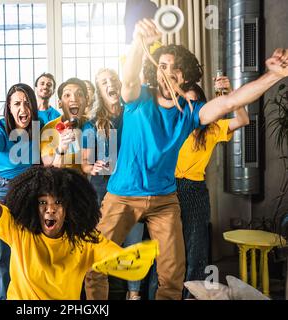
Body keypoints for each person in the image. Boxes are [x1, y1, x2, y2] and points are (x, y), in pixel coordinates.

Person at [85, 18, 288, 300]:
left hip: (165, 199)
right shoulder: (137, 98)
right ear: (156, 72)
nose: (168, 74)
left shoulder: (192, 113)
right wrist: (135, 42)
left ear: (185, 77)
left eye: (176, 69)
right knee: (95, 262)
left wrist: (274, 76)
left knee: (172, 274)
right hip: (122, 195)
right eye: (163, 67)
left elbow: (231, 103)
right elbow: (129, 78)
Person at [0, 144, 128, 300]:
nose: (50, 209)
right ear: (33, 205)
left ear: (70, 207)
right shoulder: (18, 230)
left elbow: (125, 261)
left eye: (58, 202)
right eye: (42, 202)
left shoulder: (85, 240)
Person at [176, 79, 249, 298]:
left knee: (196, 249)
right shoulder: (173, 125)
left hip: (195, 189)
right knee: (169, 251)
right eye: (185, 102)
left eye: (194, 102)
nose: (190, 107)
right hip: (168, 189)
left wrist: (229, 93)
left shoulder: (213, 128)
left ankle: (192, 296)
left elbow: (243, 119)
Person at [81, 68, 145, 300]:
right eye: (104, 82)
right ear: (99, 90)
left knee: (133, 245)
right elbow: (85, 164)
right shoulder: (91, 124)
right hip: (103, 192)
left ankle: (134, 294)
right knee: (101, 248)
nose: (110, 84)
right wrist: (93, 166)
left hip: (134, 188)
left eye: (113, 80)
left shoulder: (134, 112)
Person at [0, 83, 40, 299]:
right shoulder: (0, 128)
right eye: (17, 104)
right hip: (0, 190)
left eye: (26, 103)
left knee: (28, 248)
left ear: (33, 106)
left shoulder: (40, 127)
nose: (22, 108)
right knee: (3, 252)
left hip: (29, 189)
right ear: (9, 107)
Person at [41, 78, 88, 174]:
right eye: (67, 95)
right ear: (60, 103)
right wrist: (61, 148)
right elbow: (49, 168)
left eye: (79, 95)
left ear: (86, 101)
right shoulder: (49, 128)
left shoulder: (93, 124)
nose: (74, 99)